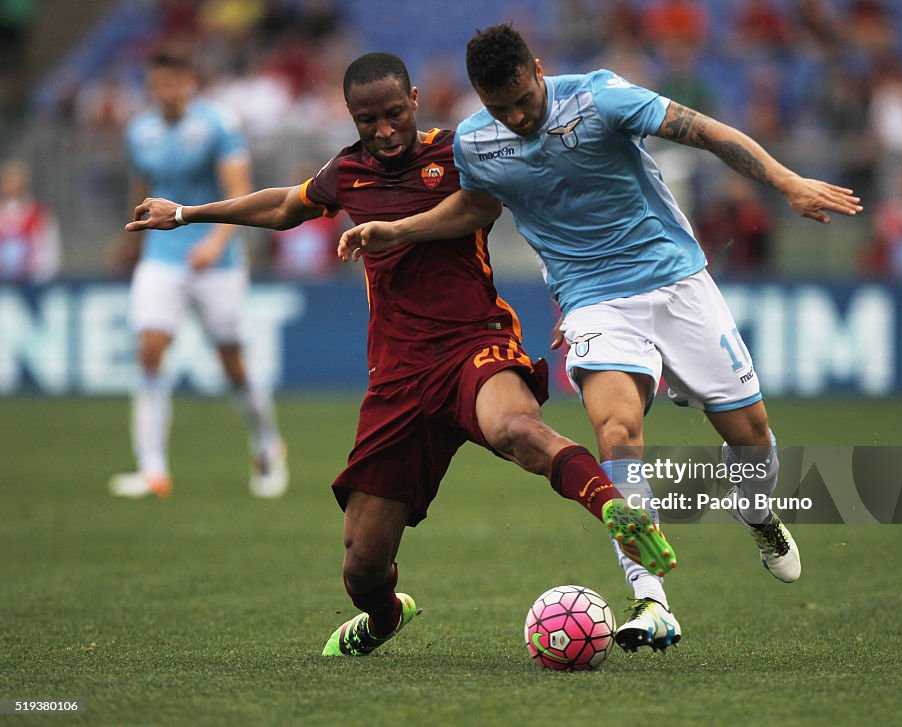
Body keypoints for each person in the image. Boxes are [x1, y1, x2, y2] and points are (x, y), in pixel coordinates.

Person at [124, 52, 678, 656]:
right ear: (351, 116)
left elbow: (487, 206)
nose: (384, 131)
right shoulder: (347, 171)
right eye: (368, 120)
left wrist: (402, 232)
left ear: (415, 99)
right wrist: (184, 213)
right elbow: (287, 206)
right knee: (361, 567)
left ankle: (618, 510)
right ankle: (385, 616)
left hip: (474, 343)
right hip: (397, 376)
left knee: (518, 429)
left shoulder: (458, 151)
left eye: (393, 114)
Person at [340, 25, 864, 636]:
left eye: (523, 101)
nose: (516, 118)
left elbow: (709, 132)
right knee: (617, 432)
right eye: (498, 108)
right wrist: (396, 230)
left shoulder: (600, 99)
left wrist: (786, 182)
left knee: (749, 437)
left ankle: (754, 506)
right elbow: (476, 206)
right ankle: (651, 600)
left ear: (538, 71)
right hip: (593, 303)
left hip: (676, 282)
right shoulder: (477, 143)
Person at [109, 49, 287, 500]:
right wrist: (130, 242)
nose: (164, 93)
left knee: (232, 363)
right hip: (162, 257)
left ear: (189, 80)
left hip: (216, 260)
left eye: (171, 83)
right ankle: (152, 469)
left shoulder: (218, 125)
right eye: (156, 85)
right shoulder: (140, 131)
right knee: (150, 347)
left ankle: (267, 444)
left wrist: (216, 241)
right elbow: (140, 193)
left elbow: (238, 192)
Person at [0, 159, 62, 283]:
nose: (11, 184)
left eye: (15, 179)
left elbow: (51, 251)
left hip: (31, 283)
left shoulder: (40, 214)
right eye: (8, 179)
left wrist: (40, 277)